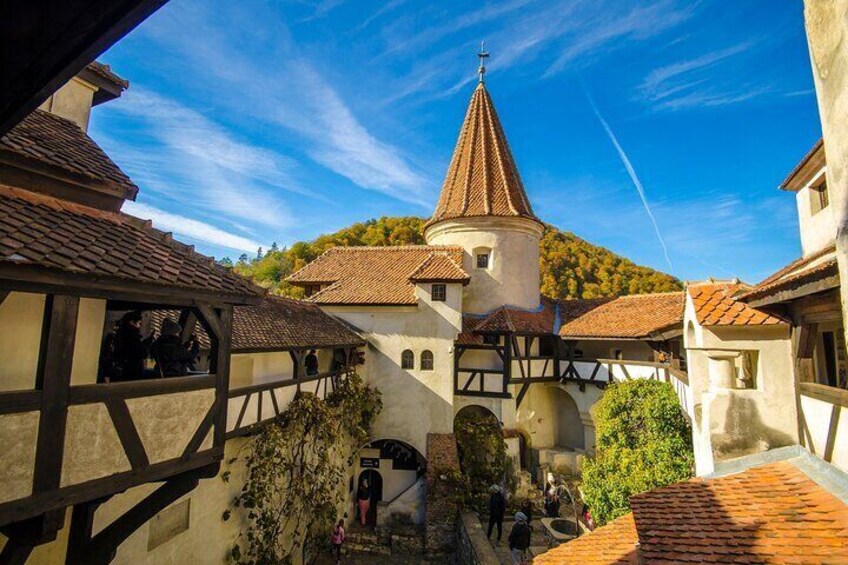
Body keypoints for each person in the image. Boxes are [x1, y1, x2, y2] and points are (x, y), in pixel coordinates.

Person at [112, 311, 154, 381]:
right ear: (131, 322)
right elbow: (141, 352)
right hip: (133, 370)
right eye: (138, 323)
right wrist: (148, 343)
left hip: (123, 368)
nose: (140, 326)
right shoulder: (132, 336)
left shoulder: (120, 334)